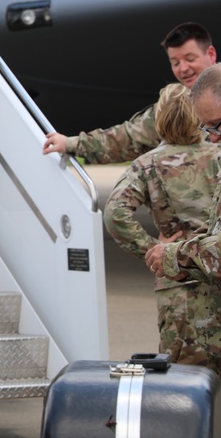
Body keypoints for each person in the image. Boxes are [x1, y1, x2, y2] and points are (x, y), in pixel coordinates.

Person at [102, 82, 218, 369]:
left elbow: (114, 213)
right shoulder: (217, 156)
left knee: (183, 376)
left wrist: (154, 251)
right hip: (214, 274)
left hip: (175, 284)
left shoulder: (147, 164)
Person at [42, 22, 217, 163]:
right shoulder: (174, 107)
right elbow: (125, 139)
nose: (183, 69)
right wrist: (70, 143)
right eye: (175, 62)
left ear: (210, 54)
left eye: (190, 59)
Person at [146, 63, 221, 373]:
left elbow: (115, 215)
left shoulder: (148, 164)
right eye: (207, 128)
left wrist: (171, 254)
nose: (213, 138)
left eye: (217, 125)